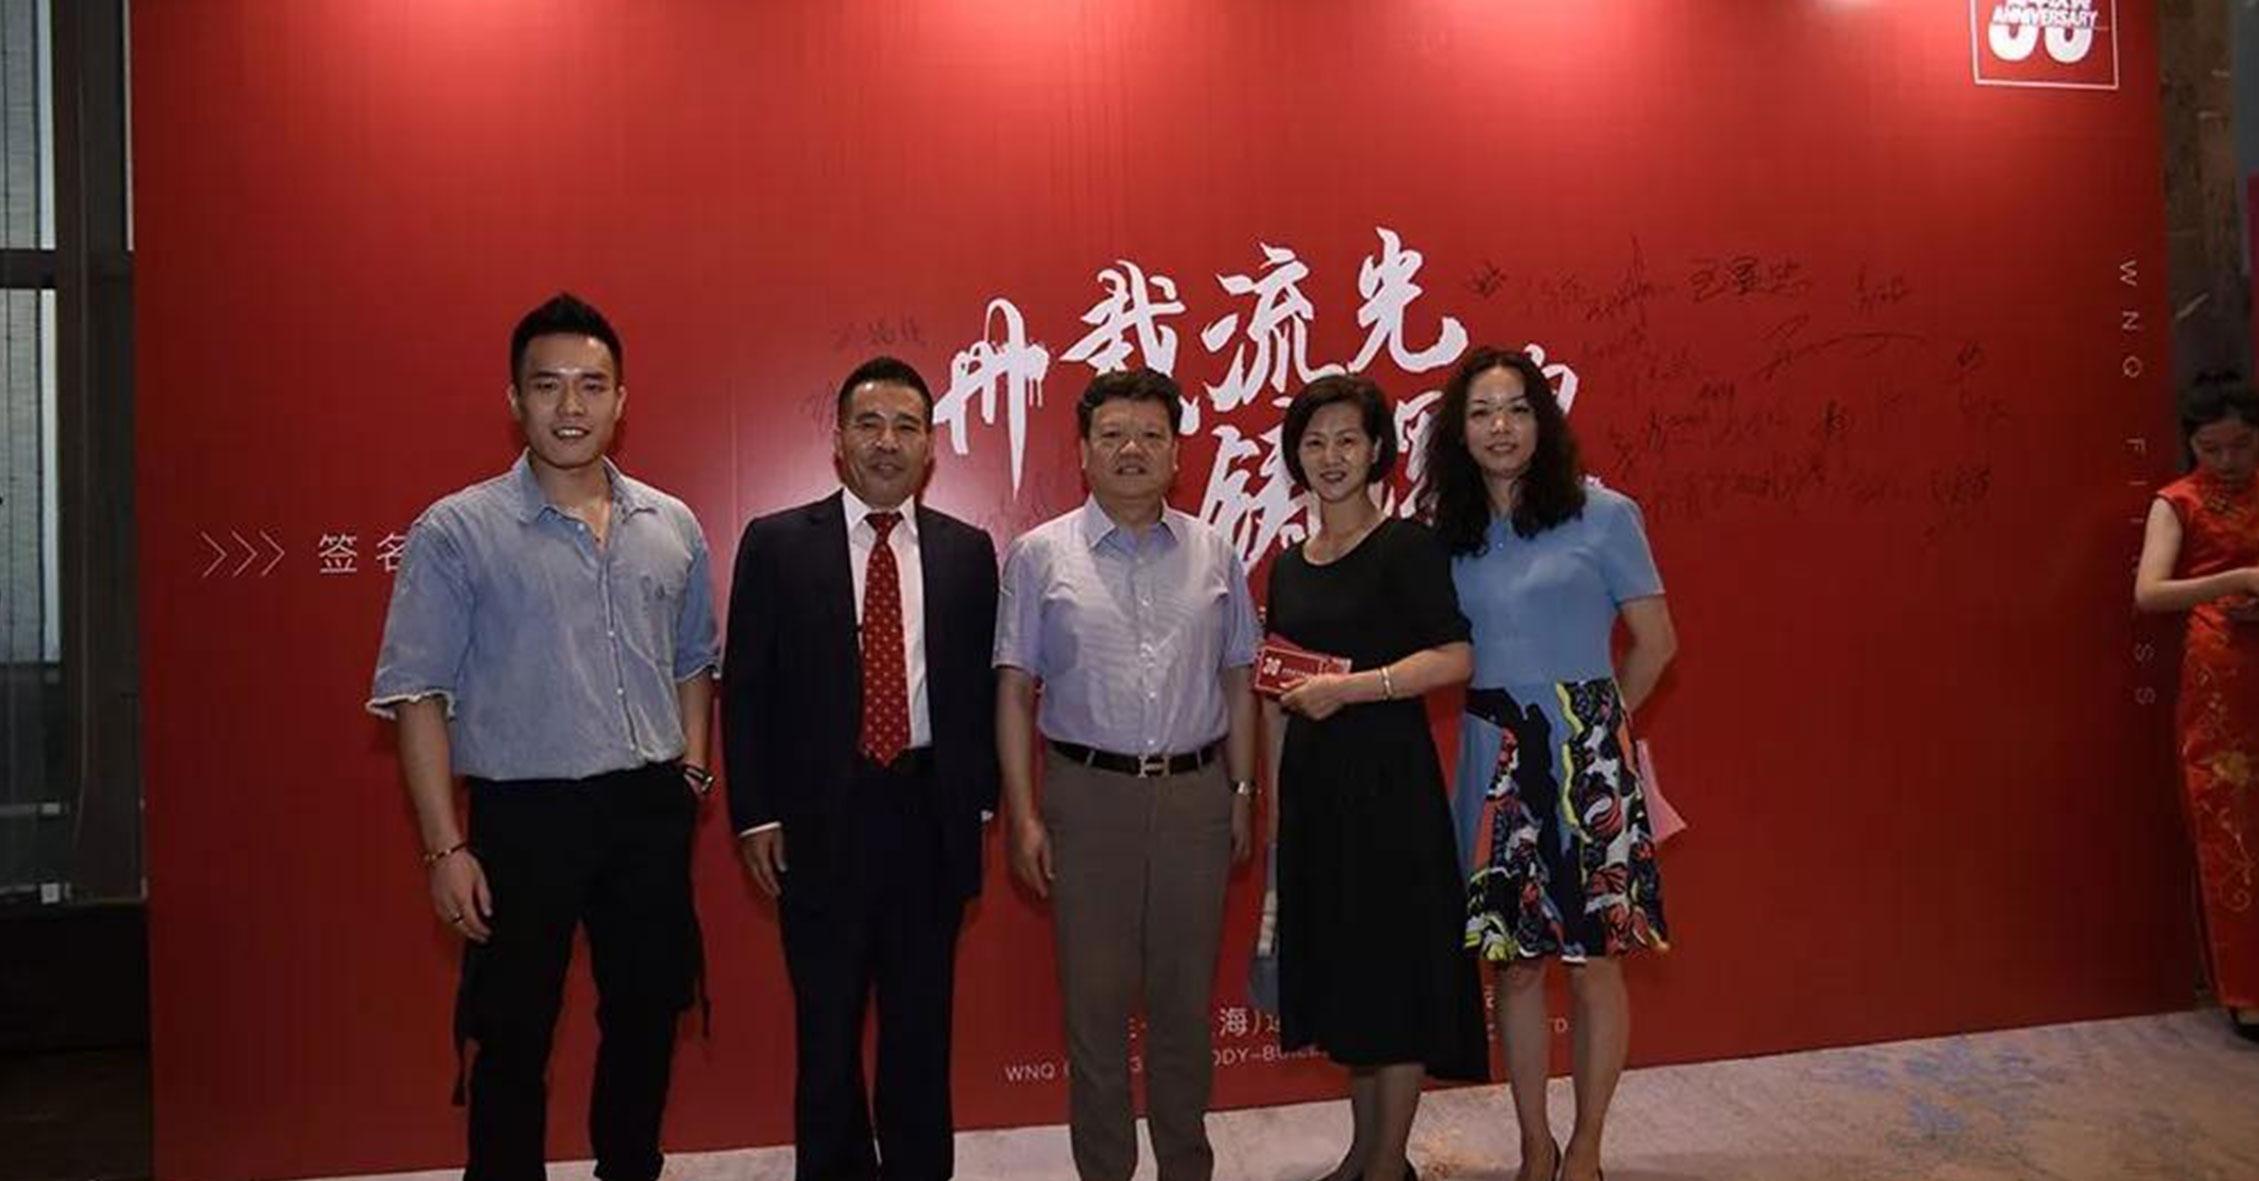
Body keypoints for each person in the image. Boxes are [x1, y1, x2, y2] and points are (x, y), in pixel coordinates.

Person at [368, 292, 719, 1181]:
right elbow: (417, 695)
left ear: (621, 400)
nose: (571, 406)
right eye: (547, 384)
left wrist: (692, 770)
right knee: (511, 1032)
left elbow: (693, 661)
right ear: (514, 399)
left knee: (647, 1015)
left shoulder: (672, 525)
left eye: (592, 385)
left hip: (648, 807)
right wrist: (444, 846)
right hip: (523, 817)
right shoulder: (458, 531)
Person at [723, 356, 1002, 1181]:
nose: (887, 441)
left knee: (921, 1028)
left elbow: (983, 687)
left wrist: (979, 803)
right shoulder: (776, 543)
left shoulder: (967, 551)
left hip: (928, 816)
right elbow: (746, 688)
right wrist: (756, 813)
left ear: (930, 446)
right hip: (819, 819)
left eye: (906, 426)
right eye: (869, 424)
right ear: (839, 439)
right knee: (827, 1031)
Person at [1419, 346, 1678, 1181]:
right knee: (1514, 965)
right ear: (1458, 432)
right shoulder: (1446, 533)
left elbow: (1655, 643)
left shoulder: (1604, 514)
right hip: (1490, 756)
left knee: (1595, 962)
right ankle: (1534, 1144)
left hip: (1585, 761)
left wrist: (1596, 728)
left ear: (1543, 421)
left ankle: (1588, 1144)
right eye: (1481, 412)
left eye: (1517, 409)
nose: (1500, 427)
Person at [994, 368, 1259, 1181]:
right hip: (1085, 797)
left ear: (1176, 452)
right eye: (1111, 435)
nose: (1131, 449)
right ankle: (1104, 1168)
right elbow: (1013, 690)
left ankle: (1186, 1165)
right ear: (1083, 451)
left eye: (1149, 434)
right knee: (1095, 1010)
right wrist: (1024, 814)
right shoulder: (1040, 555)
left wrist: (1242, 790)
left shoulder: (1214, 551)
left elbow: (1239, 678)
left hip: (1195, 795)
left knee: (1184, 1006)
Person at [1262, 375, 1488, 1181]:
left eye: (1347, 440)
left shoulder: (1405, 548)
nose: (1330, 457)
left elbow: (1456, 656)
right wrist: (1272, 804)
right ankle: (1361, 1151)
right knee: (1349, 983)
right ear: (1295, 456)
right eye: (1314, 442)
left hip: (1390, 793)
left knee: (1393, 982)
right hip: (1315, 797)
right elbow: (1276, 687)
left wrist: (1353, 688)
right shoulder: (1289, 566)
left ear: (1376, 451)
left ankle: (1389, 1162)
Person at [2134, 372, 2259, 1040]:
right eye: (2212, 449)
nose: (2228, 460)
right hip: (2221, 675)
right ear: (2192, 444)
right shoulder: (2177, 500)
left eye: (2241, 445)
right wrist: (2235, 579)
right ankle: (2247, 990)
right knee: (2230, 826)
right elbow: (2149, 593)